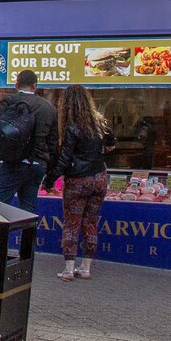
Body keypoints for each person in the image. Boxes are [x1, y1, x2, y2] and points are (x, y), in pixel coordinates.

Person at [51, 85, 115, 281]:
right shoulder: (99, 122)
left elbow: (64, 158)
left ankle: (69, 269)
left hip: (78, 180)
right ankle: (86, 268)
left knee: (71, 224)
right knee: (90, 223)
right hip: (99, 177)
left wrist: (50, 178)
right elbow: (111, 145)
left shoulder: (71, 126)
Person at [0, 70, 57, 212]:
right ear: (35, 86)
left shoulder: (9, 101)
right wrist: (50, 172)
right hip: (36, 164)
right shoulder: (50, 109)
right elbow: (53, 143)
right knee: (29, 213)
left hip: (11, 163)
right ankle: (29, 234)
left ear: (16, 85)